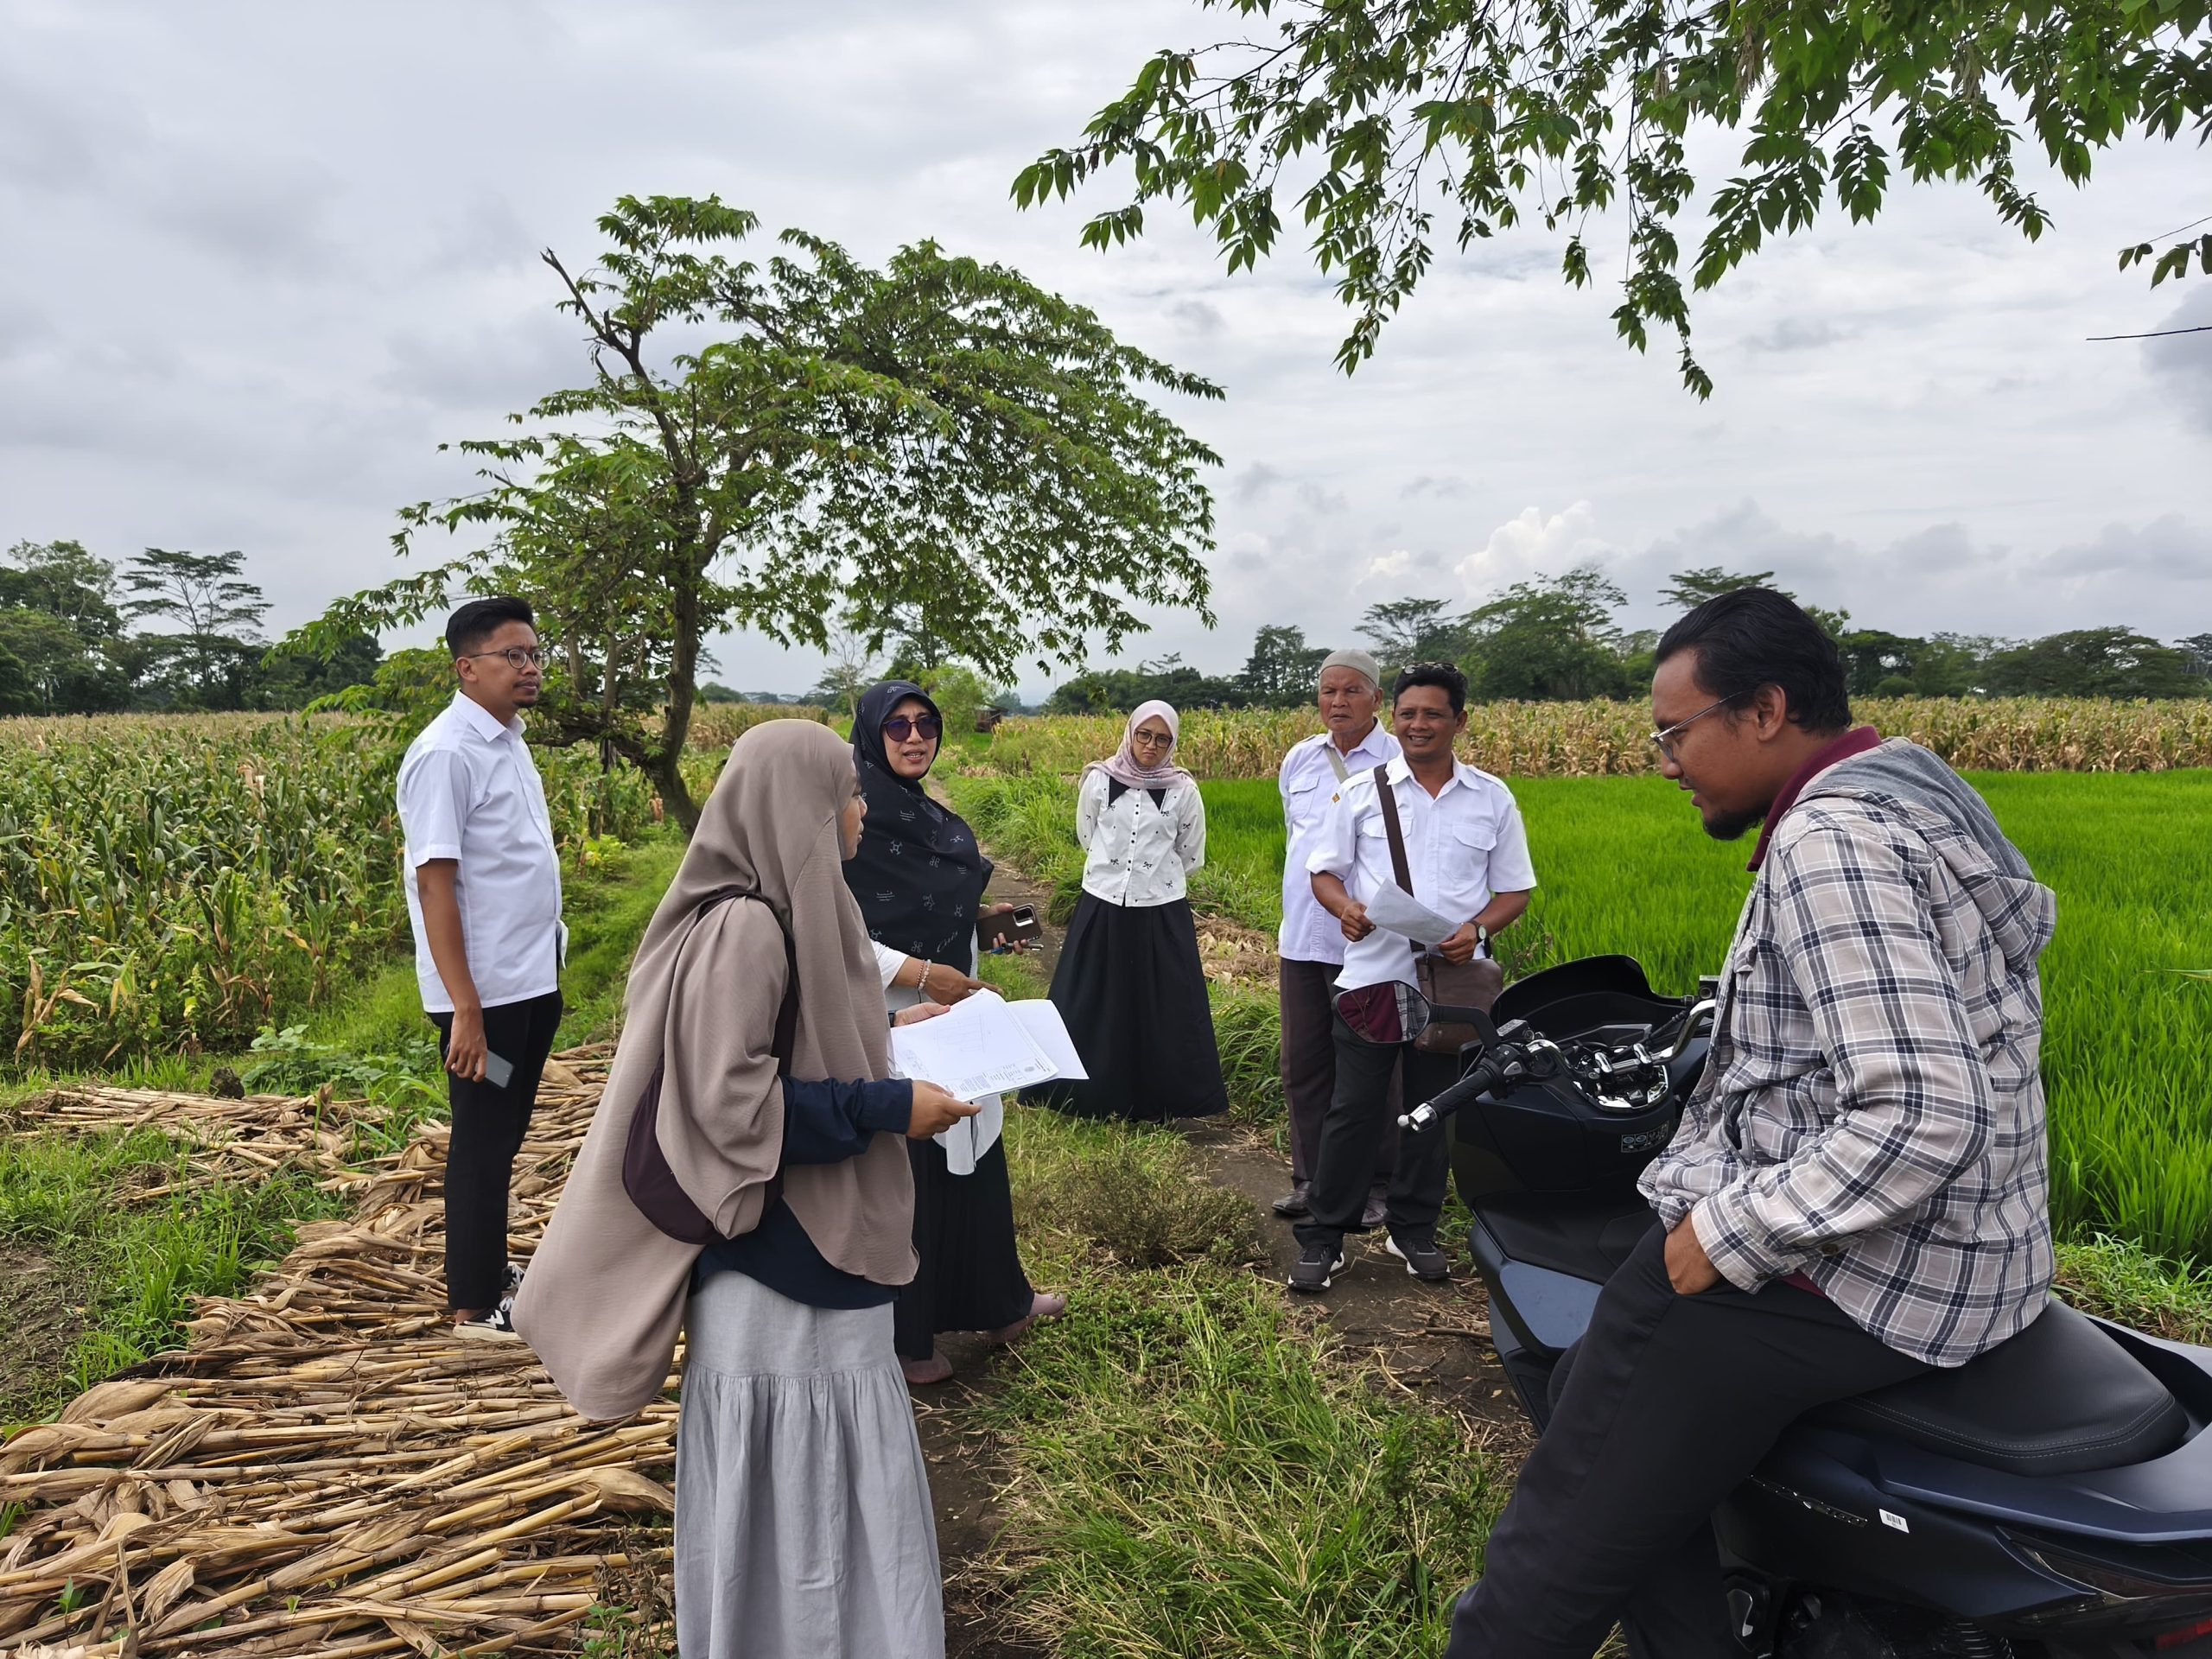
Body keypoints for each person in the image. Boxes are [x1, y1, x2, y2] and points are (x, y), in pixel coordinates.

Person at [1445, 588, 2056, 1657]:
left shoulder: (1829, 842)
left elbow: (1919, 1108)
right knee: (1623, 1457)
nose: (1664, 760)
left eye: (1675, 732)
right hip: (1988, 1261)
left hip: (1866, 1276)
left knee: (1549, 1545)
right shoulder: (1917, 793)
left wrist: (1719, 1238)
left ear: (1765, 710)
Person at [513, 718, 976, 1658]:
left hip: (814, 1242)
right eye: (844, 793)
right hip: (781, 1260)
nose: (857, 811)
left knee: (823, 1482)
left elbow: (814, 1042)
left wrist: (904, 1033)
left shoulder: (804, 906)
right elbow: (729, 1108)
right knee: (800, 1486)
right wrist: (890, 1105)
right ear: (794, 807)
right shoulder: (742, 926)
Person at [846, 680, 1065, 1388]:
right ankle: (909, 1340)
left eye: (926, 724)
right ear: (871, 735)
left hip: (956, 1009)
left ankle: (1000, 1302)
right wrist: (919, 971)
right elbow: (830, 933)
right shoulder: (848, 821)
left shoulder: (928, 816)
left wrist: (980, 927)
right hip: (888, 1019)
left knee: (975, 1154)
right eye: (898, 727)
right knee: (909, 1174)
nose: (915, 737)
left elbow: (936, 902)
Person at [1291, 661, 1536, 1293]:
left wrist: (1477, 932)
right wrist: (1345, 910)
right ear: (1393, 718)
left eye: (1432, 714)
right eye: (1408, 714)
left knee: (1432, 1111)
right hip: (1373, 977)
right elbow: (1326, 872)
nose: (1418, 724)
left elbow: (1515, 890)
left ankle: (1414, 1229)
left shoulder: (1492, 796)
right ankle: (1325, 1236)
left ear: (1460, 720)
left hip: (1451, 988)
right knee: (1354, 1108)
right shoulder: (1362, 791)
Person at [397, 595, 568, 1338]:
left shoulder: (507, 738)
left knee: (506, 1130)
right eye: (513, 657)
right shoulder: (446, 754)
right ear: (468, 669)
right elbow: (435, 883)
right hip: (487, 1000)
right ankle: (472, 1299)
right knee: (483, 1138)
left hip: (530, 983)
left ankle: (493, 1272)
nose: (529, 668)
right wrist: (464, 1008)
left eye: (534, 655)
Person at [1025, 700, 1230, 1122]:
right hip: (1103, 903)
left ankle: (1160, 1103)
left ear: (1172, 743)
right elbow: (1087, 834)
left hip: (1161, 909)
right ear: (1130, 733)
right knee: (1093, 998)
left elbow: (1191, 853)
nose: (1151, 746)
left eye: (1162, 739)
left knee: (1162, 1005)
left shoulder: (1183, 790)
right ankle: (1086, 1096)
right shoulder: (1100, 780)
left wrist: (1152, 878)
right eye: (1144, 735)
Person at [1271, 648, 1403, 1228]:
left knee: (1375, 1068)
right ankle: (1311, 1179)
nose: (1338, 702)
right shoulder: (1300, 760)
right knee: (1304, 1063)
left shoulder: (1399, 758)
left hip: (1373, 945)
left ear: (1377, 699)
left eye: (1352, 691)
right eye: (1328, 691)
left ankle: (1378, 1184)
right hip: (1303, 937)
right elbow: (1298, 842)